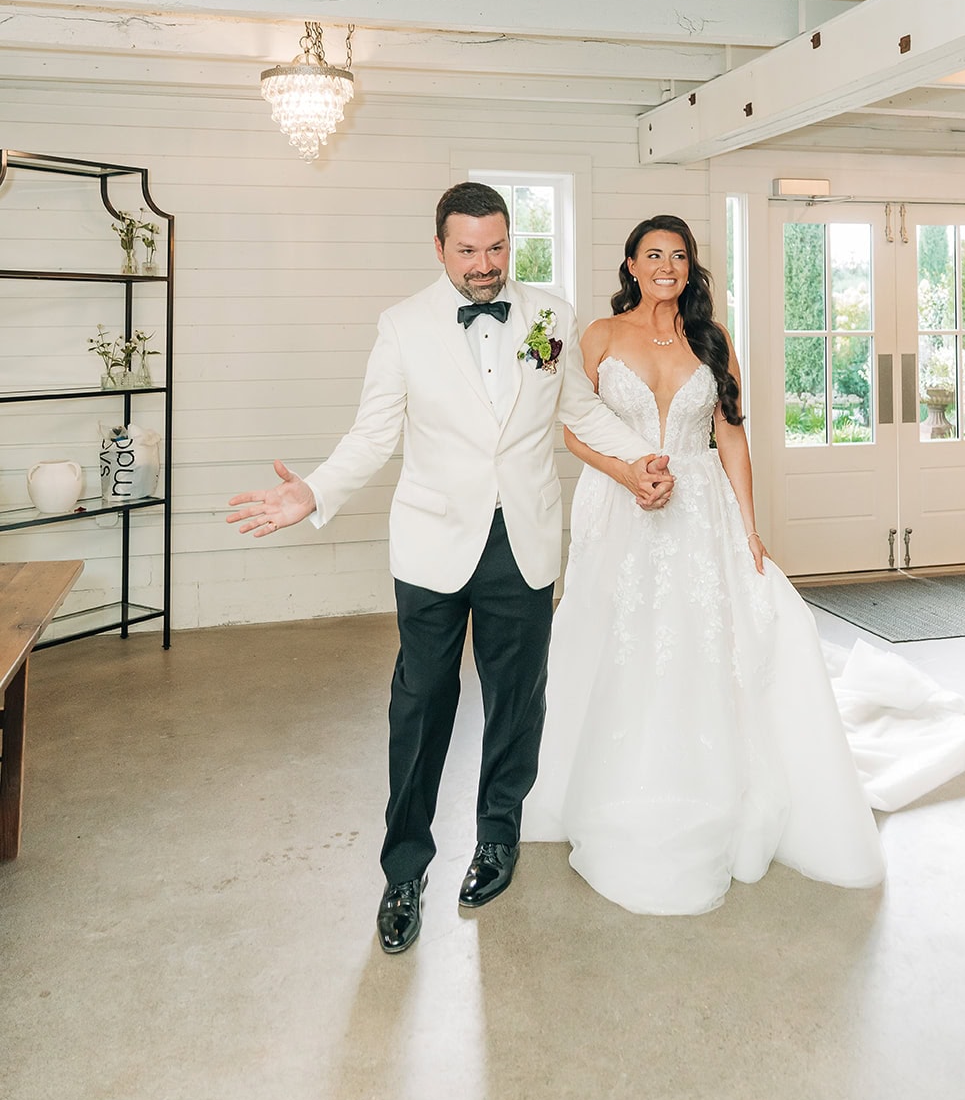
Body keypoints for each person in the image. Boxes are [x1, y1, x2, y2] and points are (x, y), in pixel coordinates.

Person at [226, 183, 674, 953]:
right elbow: (374, 434)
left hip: (522, 539)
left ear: (510, 242)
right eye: (466, 250)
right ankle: (404, 868)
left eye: (496, 247)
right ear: (439, 248)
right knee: (421, 703)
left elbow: (575, 408)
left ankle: (496, 837)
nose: (483, 264)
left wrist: (640, 456)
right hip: (432, 543)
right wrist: (315, 491)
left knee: (514, 702)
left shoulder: (546, 317)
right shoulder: (403, 326)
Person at [522, 215, 893, 914]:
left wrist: (751, 528)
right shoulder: (599, 336)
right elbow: (571, 428)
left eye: (678, 255)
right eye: (652, 254)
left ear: (689, 268)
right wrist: (627, 472)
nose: (666, 265)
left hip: (700, 506)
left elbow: (731, 436)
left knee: (701, 637)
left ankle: (706, 776)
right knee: (615, 634)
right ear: (630, 265)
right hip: (618, 501)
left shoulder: (712, 340)